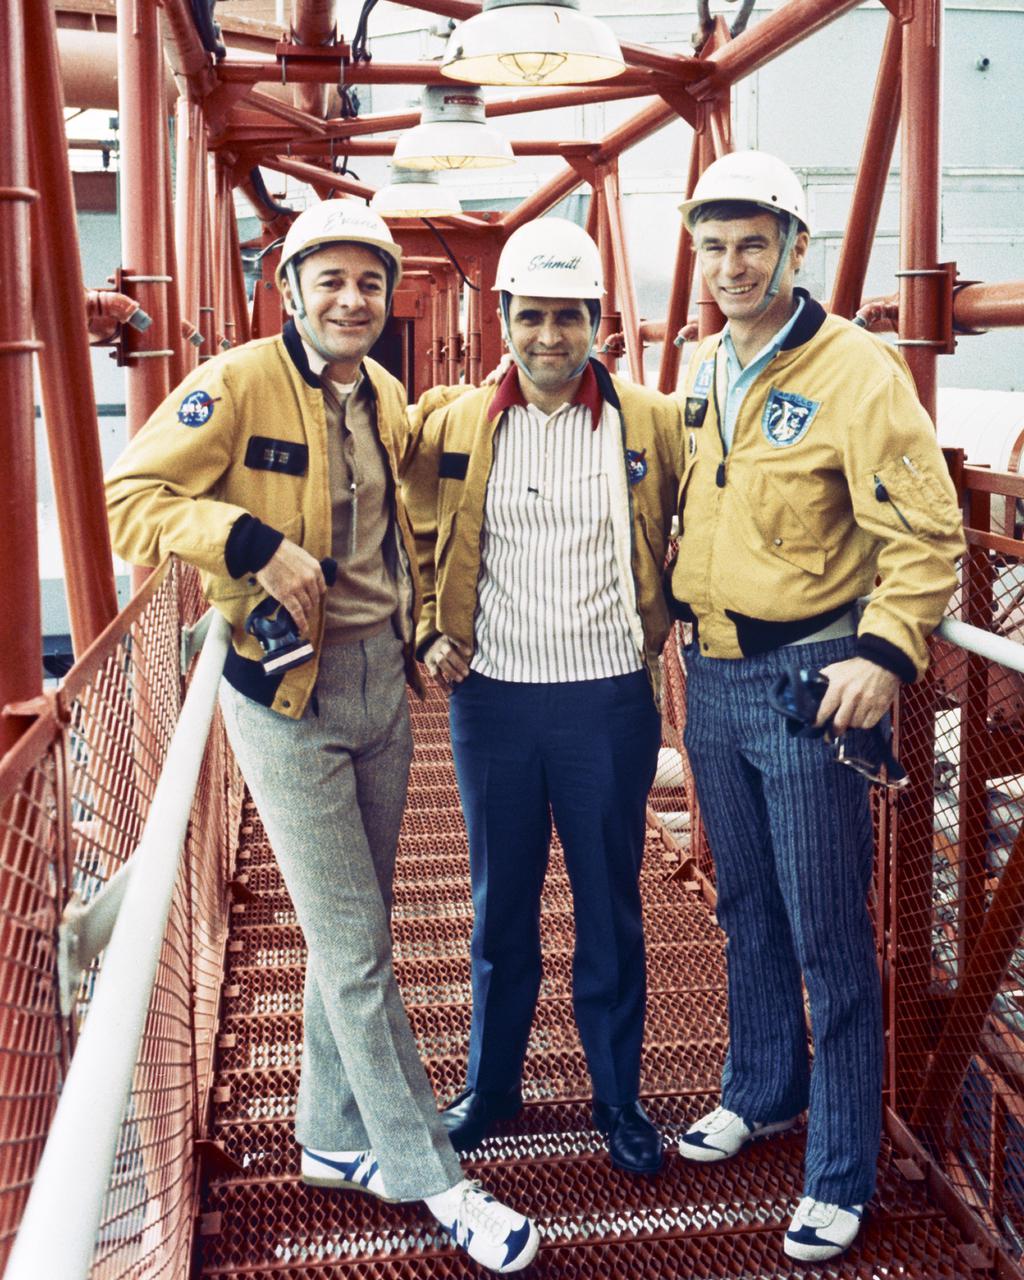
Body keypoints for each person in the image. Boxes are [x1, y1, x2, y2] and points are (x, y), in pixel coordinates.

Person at [105, 199, 540, 1276]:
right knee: (355, 950)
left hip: (378, 686)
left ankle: (330, 1133)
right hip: (283, 694)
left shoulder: (386, 391)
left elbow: (415, 504)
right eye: (330, 280)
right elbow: (133, 495)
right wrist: (250, 539)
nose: (351, 300)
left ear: (389, 298)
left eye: (369, 283)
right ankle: (434, 1175)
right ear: (289, 287)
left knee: (356, 928)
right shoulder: (240, 381)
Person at [668, 151, 965, 1261]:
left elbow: (928, 533)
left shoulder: (856, 370)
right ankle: (763, 1086)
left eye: (754, 243)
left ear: (795, 246)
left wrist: (885, 655)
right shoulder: (704, 366)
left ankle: (837, 1166)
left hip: (811, 683)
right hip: (710, 672)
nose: (733, 265)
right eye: (714, 247)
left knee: (829, 930)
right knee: (744, 901)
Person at [402, 217, 682, 1177]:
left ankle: (618, 1099)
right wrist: (424, 628)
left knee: (611, 904)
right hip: (494, 701)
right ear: (503, 318)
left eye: (569, 317)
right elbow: (399, 530)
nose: (550, 337)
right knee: (500, 904)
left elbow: (725, 516)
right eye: (532, 316)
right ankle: (491, 1087)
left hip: (608, 697)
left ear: (600, 321)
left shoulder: (651, 422)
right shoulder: (452, 423)